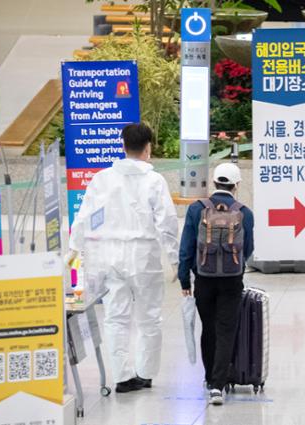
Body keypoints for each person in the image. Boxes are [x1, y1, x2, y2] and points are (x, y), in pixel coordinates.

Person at [66, 123, 179, 393]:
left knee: (116, 317)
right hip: (143, 254)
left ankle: (122, 377)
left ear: (122, 145)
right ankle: (146, 373)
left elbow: (84, 216)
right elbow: (167, 222)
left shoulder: (102, 178)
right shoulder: (154, 181)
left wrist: (74, 247)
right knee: (149, 316)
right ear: (148, 147)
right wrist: (175, 259)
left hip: (109, 254)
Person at [178, 163, 254, 406]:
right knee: (226, 330)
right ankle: (218, 387)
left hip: (204, 279)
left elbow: (186, 246)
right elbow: (248, 248)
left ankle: (210, 378)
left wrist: (183, 277)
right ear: (236, 185)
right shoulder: (245, 212)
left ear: (214, 183)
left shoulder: (196, 210)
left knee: (208, 328)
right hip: (232, 280)